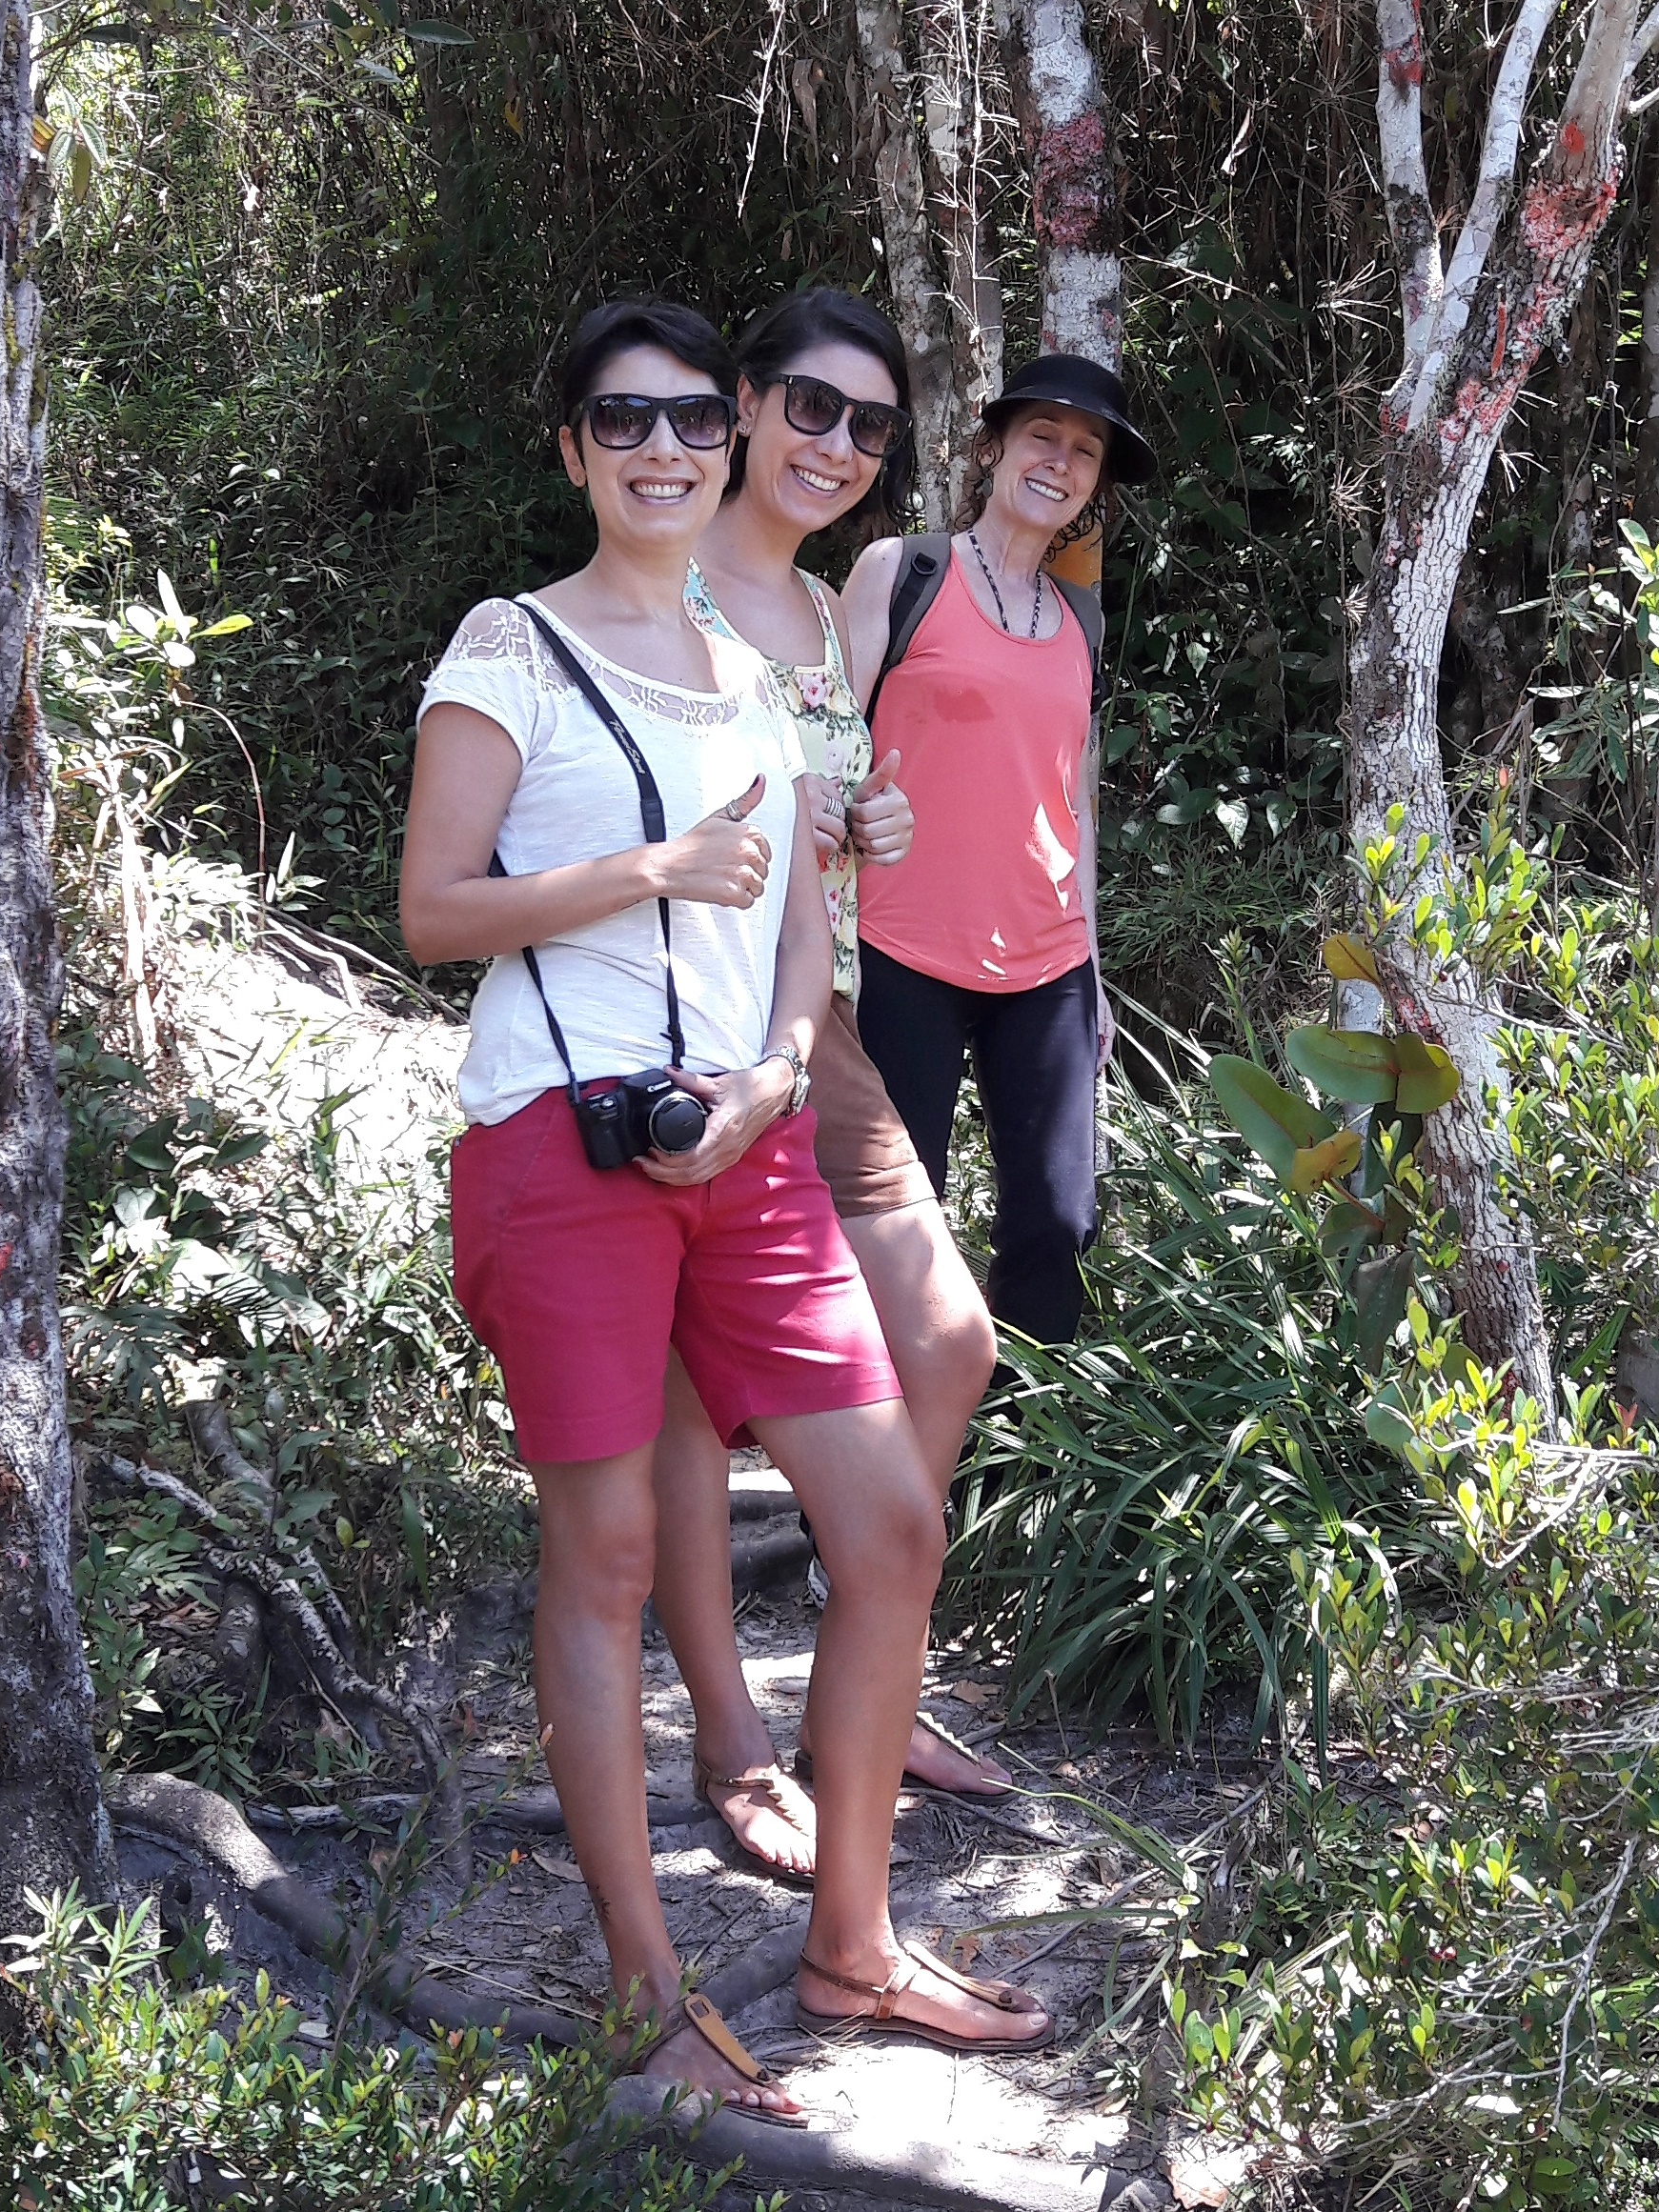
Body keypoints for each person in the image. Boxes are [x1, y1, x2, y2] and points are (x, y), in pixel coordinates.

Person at [399, 299, 1052, 2118]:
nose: (666, 449)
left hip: (745, 1144)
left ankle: (854, 1947)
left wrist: (770, 1077)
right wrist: (648, 868)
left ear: (725, 433)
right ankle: (646, 1986)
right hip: (563, 1149)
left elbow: (794, 929)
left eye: (691, 418)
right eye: (624, 422)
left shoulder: (754, 668)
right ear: (571, 449)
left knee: (890, 1519)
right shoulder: (511, 645)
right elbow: (434, 909)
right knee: (602, 1557)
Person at [644, 289, 1006, 1891]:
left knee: (946, 1338)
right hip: (678, 1023)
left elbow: (814, 828)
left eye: (869, 425)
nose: (837, 445)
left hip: (817, 1024)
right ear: (740, 402)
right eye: (810, 405)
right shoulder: (656, 577)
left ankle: (867, 1677)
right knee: (682, 1403)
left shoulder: (810, 607)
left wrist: (866, 829)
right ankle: (730, 1741)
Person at [841, 354, 1156, 1347]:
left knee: (1058, 1224)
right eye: (1042, 437)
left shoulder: (1080, 621)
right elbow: (822, 752)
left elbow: (1075, 806)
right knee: (900, 1221)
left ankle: (1025, 1444)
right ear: (992, 448)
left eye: (1085, 451)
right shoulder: (903, 572)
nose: (1060, 462)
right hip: (901, 951)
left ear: (1096, 483)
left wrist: (1093, 971)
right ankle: (884, 1447)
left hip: (1047, 965)